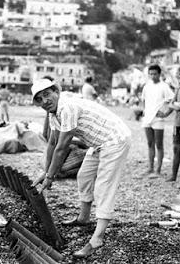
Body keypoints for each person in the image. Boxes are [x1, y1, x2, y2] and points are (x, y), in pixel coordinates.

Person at [31, 78, 131, 258]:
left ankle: (97, 238)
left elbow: (62, 149)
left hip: (114, 140)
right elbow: (53, 142)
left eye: (47, 94)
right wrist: (45, 172)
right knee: (84, 176)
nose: (45, 101)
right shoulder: (53, 114)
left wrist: (50, 178)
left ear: (56, 92)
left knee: (104, 187)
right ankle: (84, 218)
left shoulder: (67, 107)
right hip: (98, 143)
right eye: (39, 99)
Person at [141, 64, 174, 177]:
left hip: (158, 118)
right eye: (150, 74)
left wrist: (166, 113)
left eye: (155, 74)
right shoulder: (146, 86)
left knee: (159, 144)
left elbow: (172, 100)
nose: (152, 76)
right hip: (147, 118)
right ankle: (150, 167)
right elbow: (143, 100)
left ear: (159, 74)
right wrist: (144, 111)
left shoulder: (164, 86)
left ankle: (158, 170)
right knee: (150, 143)